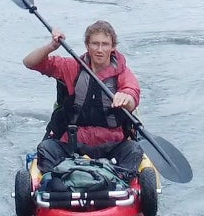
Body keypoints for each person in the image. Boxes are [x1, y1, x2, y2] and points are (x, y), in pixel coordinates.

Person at [22, 19, 143, 175]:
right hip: (74, 143)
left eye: (105, 44)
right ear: (87, 45)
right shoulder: (72, 67)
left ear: (113, 47)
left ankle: (117, 179)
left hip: (112, 145)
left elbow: (132, 93)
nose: (100, 49)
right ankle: (58, 181)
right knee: (46, 149)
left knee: (134, 149)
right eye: (95, 43)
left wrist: (126, 98)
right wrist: (51, 47)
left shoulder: (123, 73)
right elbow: (29, 62)